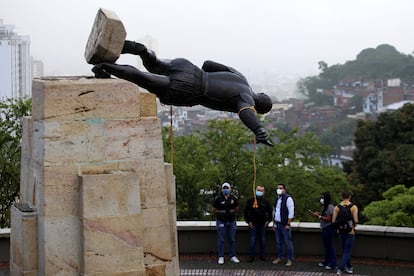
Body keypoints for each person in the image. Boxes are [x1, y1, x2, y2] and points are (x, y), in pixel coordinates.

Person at [91, 40, 273, 146]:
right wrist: (259, 130)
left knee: (154, 65)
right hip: (190, 89)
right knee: (145, 79)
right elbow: (246, 113)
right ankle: (104, 67)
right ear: (259, 107)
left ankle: (143, 51)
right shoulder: (245, 99)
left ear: (261, 94)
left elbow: (208, 64)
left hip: (188, 68)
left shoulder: (240, 77)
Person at [212, 182, 240, 264]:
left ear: (230, 189)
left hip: (231, 221)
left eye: (227, 188)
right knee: (221, 239)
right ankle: (221, 256)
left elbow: (237, 208)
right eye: (224, 188)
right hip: (221, 221)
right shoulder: (218, 199)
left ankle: (232, 256)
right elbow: (213, 210)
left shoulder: (233, 198)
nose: (225, 190)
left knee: (232, 239)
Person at [332, 190, 359, 275]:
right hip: (350, 232)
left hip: (341, 231)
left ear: (341, 197)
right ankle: (340, 268)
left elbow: (333, 221)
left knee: (345, 251)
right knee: (347, 252)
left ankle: (349, 267)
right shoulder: (353, 207)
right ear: (350, 197)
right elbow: (356, 220)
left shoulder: (337, 207)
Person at [243, 185, 273, 262]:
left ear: (264, 192)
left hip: (263, 224)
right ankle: (251, 256)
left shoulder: (266, 201)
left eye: (261, 191)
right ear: (255, 190)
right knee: (252, 240)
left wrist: (268, 221)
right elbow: (246, 211)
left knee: (263, 240)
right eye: (258, 190)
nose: (259, 192)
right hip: (253, 224)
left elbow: (270, 212)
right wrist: (248, 221)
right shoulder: (250, 201)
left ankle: (262, 256)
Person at [311, 192, 337, 270]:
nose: (321, 199)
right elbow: (324, 215)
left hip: (328, 228)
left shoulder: (330, 207)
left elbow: (328, 219)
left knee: (329, 246)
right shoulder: (324, 207)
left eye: (322, 198)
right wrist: (318, 214)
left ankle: (333, 263)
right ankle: (327, 261)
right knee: (326, 246)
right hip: (324, 227)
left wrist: (318, 216)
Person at [272, 183, 295, 267]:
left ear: (284, 189)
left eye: (281, 188)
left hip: (284, 224)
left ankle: (290, 259)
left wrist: (288, 224)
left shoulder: (288, 199)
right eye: (278, 188)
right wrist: (274, 222)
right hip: (277, 224)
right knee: (279, 242)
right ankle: (280, 257)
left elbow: (291, 212)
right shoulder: (277, 199)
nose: (279, 190)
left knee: (287, 242)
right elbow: (275, 211)